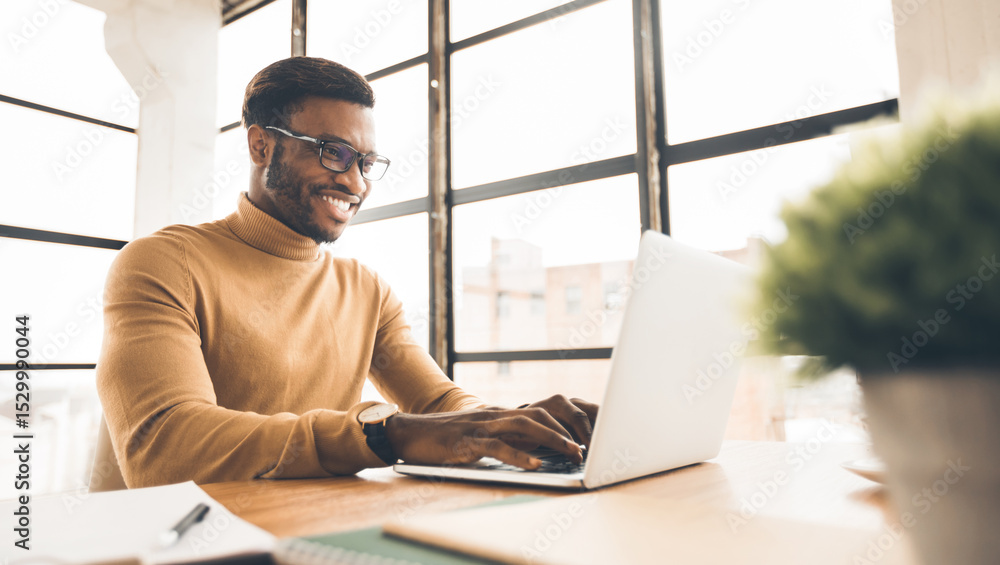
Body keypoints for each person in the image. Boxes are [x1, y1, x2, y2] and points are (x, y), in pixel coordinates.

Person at [96, 56, 598, 488]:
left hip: (303, 532)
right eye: (332, 152)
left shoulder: (367, 289)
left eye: (366, 161)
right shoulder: (162, 263)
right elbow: (164, 451)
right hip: (169, 544)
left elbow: (439, 401)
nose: (355, 182)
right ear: (260, 147)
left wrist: (510, 426)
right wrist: (382, 433)